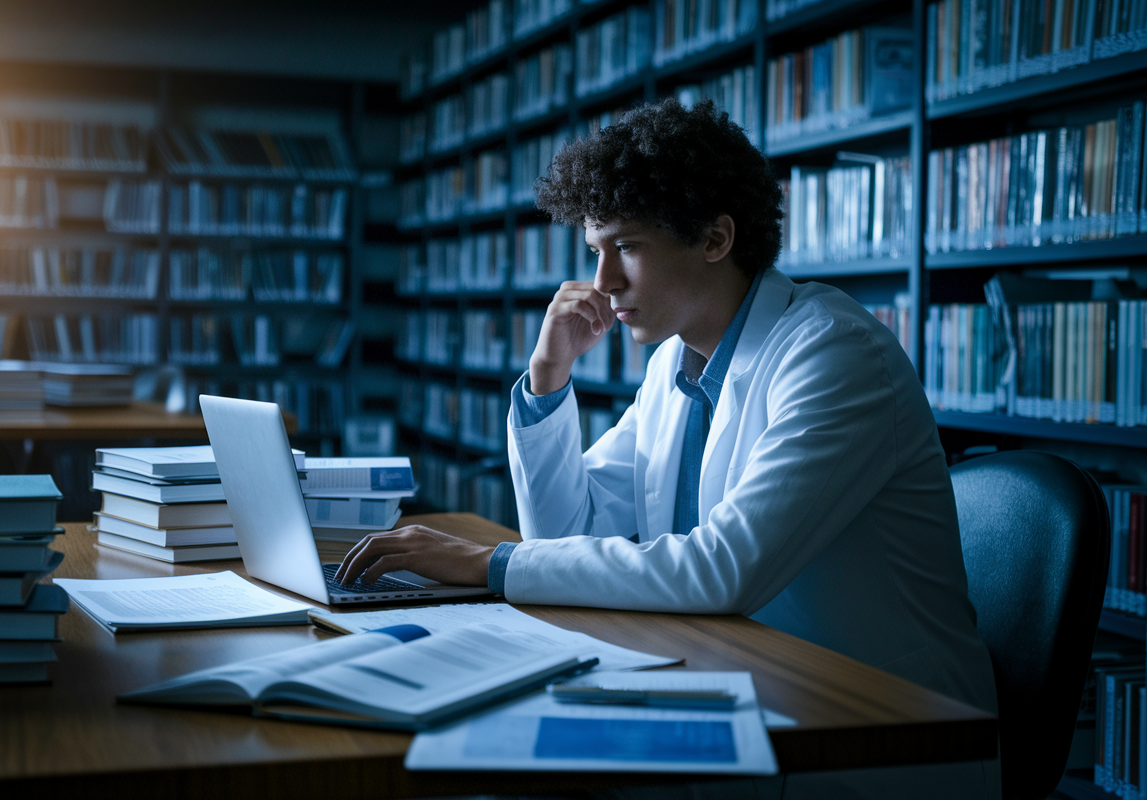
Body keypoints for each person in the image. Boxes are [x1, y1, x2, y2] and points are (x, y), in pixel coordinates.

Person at [338, 99, 999, 798]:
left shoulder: (834, 354)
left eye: (625, 247)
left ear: (715, 239)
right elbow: (565, 535)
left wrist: (487, 563)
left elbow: (724, 569)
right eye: (595, 252)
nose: (602, 283)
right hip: (735, 682)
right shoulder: (673, 366)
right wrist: (546, 380)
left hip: (875, 733)